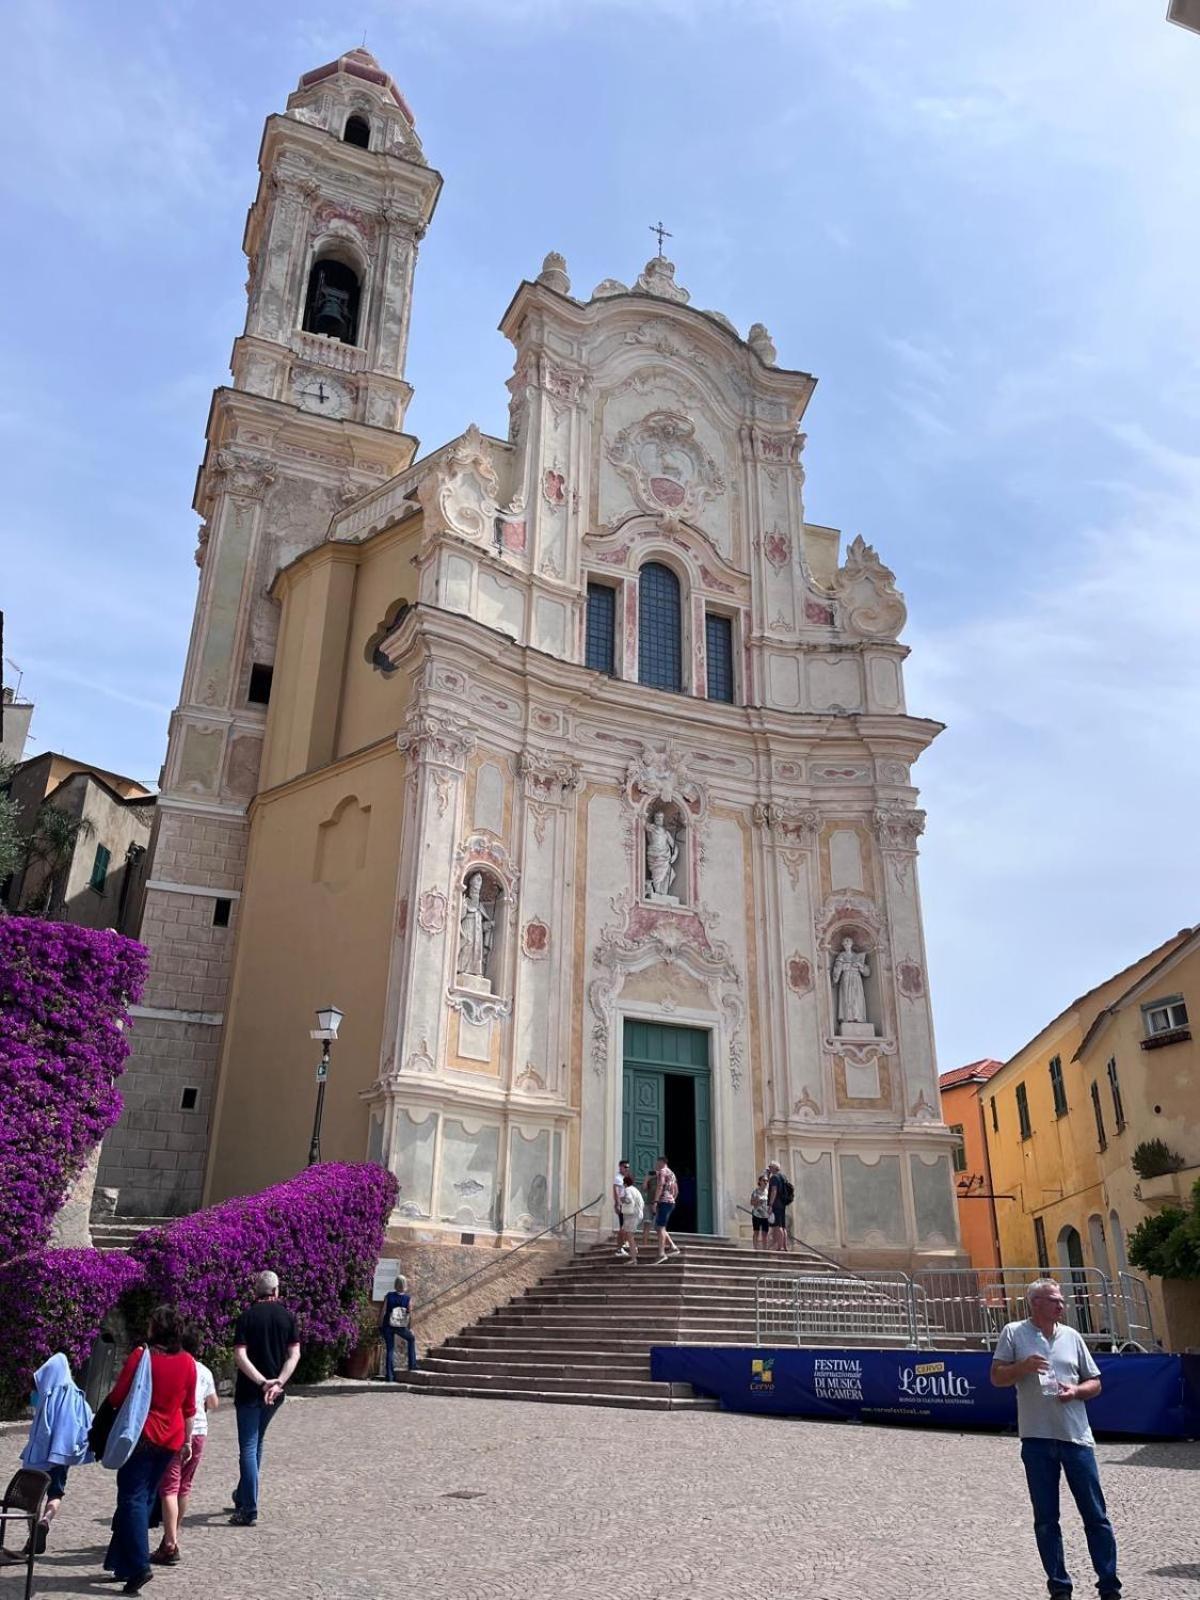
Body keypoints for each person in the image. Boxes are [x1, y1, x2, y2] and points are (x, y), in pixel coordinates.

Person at [990, 1278, 1121, 1600]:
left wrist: (1076, 1391)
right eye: (1054, 1300)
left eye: (1061, 1300)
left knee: (1096, 1516)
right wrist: (1022, 1367)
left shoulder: (1071, 1336)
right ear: (1035, 1303)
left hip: (1075, 1437)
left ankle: (1109, 1586)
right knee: (1046, 1520)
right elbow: (996, 1378)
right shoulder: (1013, 1332)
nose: (1061, 1305)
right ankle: (1059, 1587)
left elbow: (1096, 1383)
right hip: (1036, 1438)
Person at [103, 1306, 196, 1597]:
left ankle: (139, 1565)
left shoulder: (143, 1357)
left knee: (131, 1497)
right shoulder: (188, 1362)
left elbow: (118, 1395)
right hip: (171, 1439)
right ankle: (121, 1562)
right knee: (143, 1498)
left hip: (143, 1436)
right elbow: (190, 1407)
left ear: (157, 1328)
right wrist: (188, 1442)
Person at [230, 1269, 300, 1528]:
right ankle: (245, 1494)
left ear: (256, 1291)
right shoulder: (287, 1317)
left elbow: (240, 1356)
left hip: (251, 1391)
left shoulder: (247, 1317)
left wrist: (261, 1382)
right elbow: (294, 1355)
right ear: (276, 1291)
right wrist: (278, 1382)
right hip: (275, 1393)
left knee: (248, 1446)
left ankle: (248, 1508)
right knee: (257, 1442)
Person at [151, 1328, 217, 1566]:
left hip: (179, 1431)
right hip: (201, 1432)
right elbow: (214, 1402)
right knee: (184, 1487)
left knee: (169, 1487)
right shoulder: (205, 1371)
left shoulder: (177, 1366)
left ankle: (170, 1543)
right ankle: (174, 1533)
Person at [19, 1352, 93, 1555]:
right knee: (56, 1493)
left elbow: (39, 1428)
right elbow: (87, 1423)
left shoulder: (47, 1394)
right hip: (61, 1456)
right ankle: (45, 1521)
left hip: (40, 1457)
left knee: (31, 1497)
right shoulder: (76, 1396)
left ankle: (32, 1535)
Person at [379, 1274, 418, 1381]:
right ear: (405, 1285)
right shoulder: (407, 1298)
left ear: (395, 1284)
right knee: (411, 1339)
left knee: (390, 1349)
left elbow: (383, 1312)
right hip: (400, 1326)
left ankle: (390, 1376)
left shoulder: (389, 1296)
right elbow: (410, 1314)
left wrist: (380, 1325)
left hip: (388, 1325)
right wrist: (410, 1328)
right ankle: (412, 1364)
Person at [651, 1155, 681, 1265]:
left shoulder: (662, 1172)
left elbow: (660, 1185)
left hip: (663, 1202)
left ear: (661, 1162)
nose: (656, 1165)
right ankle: (672, 1246)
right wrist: (672, 1198)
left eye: (657, 1162)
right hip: (670, 1202)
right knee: (659, 1227)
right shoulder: (672, 1173)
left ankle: (661, 1254)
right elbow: (676, 1190)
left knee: (660, 1227)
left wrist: (655, 1201)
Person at [616, 1174, 645, 1264]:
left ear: (625, 1183)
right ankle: (620, 1249)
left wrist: (622, 1199)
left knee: (630, 1236)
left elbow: (629, 1199)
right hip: (636, 1215)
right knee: (622, 1231)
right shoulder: (636, 1190)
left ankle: (633, 1258)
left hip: (632, 1216)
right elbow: (642, 1203)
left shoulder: (628, 1190)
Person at [766, 1160, 791, 1252]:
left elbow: (774, 1191)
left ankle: (779, 1247)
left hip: (776, 1204)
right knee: (783, 1226)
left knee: (777, 1226)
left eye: (770, 1167)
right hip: (783, 1204)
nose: (769, 1169)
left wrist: (770, 1205)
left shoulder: (774, 1178)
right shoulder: (783, 1177)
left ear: (774, 1168)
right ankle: (785, 1246)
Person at [612, 1158, 633, 1243]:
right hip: (622, 1204)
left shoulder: (626, 1177)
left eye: (628, 1167)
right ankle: (622, 1243)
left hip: (627, 1204)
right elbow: (616, 1191)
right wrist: (617, 1204)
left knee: (626, 1224)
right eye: (625, 1167)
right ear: (620, 1167)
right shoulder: (618, 1178)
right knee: (623, 1224)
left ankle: (625, 1241)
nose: (627, 1168)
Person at [750, 1173, 771, 1251]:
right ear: (760, 1182)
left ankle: (764, 1249)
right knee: (756, 1231)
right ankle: (755, 1248)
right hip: (757, 1214)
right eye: (764, 1180)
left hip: (765, 1215)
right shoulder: (755, 1191)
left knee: (765, 1233)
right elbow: (751, 1203)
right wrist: (757, 1201)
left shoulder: (768, 1192)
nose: (765, 1182)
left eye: (767, 1181)